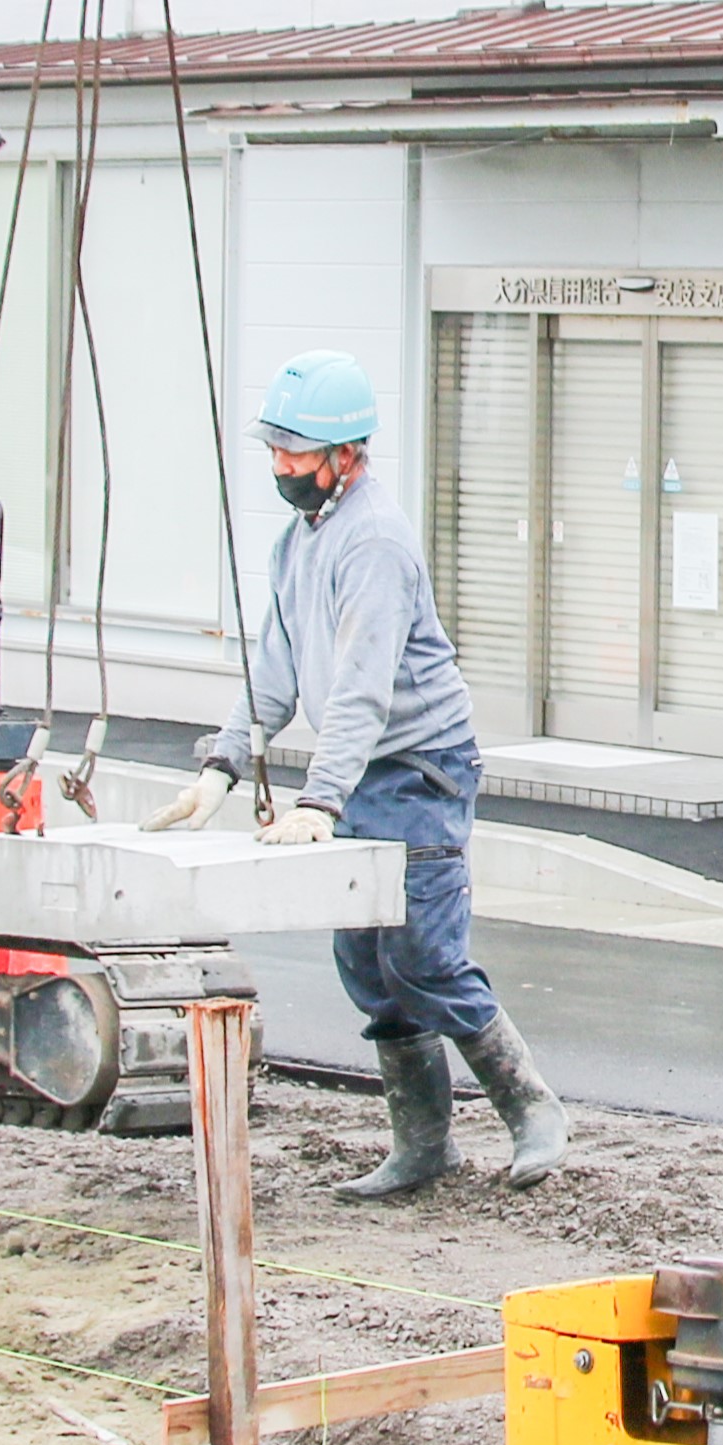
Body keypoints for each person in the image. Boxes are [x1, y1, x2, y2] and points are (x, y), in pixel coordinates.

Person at [144, 349, 563, 1196]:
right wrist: (221, 767)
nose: (280, 467)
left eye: (295, 451)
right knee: (368, 964)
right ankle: (424, 1147)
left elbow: (364, 689)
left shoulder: (373, 542)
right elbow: (277, 671)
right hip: (360, 774)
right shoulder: (298, 544)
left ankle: (531, 1108)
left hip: (419, 769)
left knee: (421, 953)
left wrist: (318, 800)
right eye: (274, 449)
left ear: (345, 453)